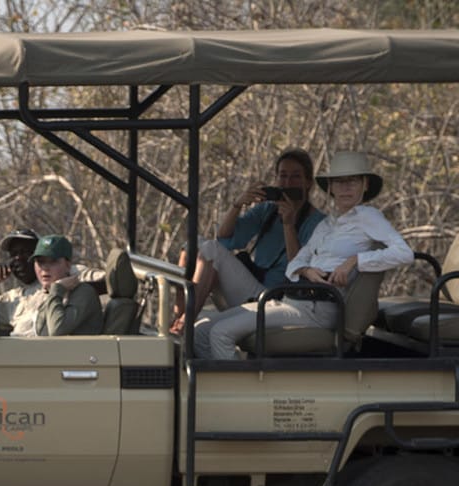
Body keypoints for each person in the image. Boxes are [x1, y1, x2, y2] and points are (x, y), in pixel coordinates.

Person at [193, 152, 413, 360]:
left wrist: (355, 261)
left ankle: (239, 396)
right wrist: (306, 270)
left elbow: (404, 253)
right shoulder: (328, 224)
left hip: (319, 307)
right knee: (201, 330)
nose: (345, 188)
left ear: (365, 185)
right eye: (339, 182)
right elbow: (296, 262)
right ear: (330, 188)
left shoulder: (368, 217)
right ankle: (213, 395)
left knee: (220, 333)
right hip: (291, 299)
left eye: (353, 181)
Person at [173, 148, 325, 332]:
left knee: (211, 250)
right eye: (283, 176)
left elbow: (299, 270)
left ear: (308, 182)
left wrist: (288, 225)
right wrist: (237, 205)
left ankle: (185, 325)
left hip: (274, 300)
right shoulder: (268, 210)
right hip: (250, 285)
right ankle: (178, 316)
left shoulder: (318, 223)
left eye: (295, 177)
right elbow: (225, 238)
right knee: (191, 245)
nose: (287, 183)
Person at [10, 234, 104, 336]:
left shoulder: (83, 292)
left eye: (53, 261)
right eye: (40, 262)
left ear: (68, 265)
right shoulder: (45, 293)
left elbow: (57, 330)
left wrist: (57, 290)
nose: (45, 268)